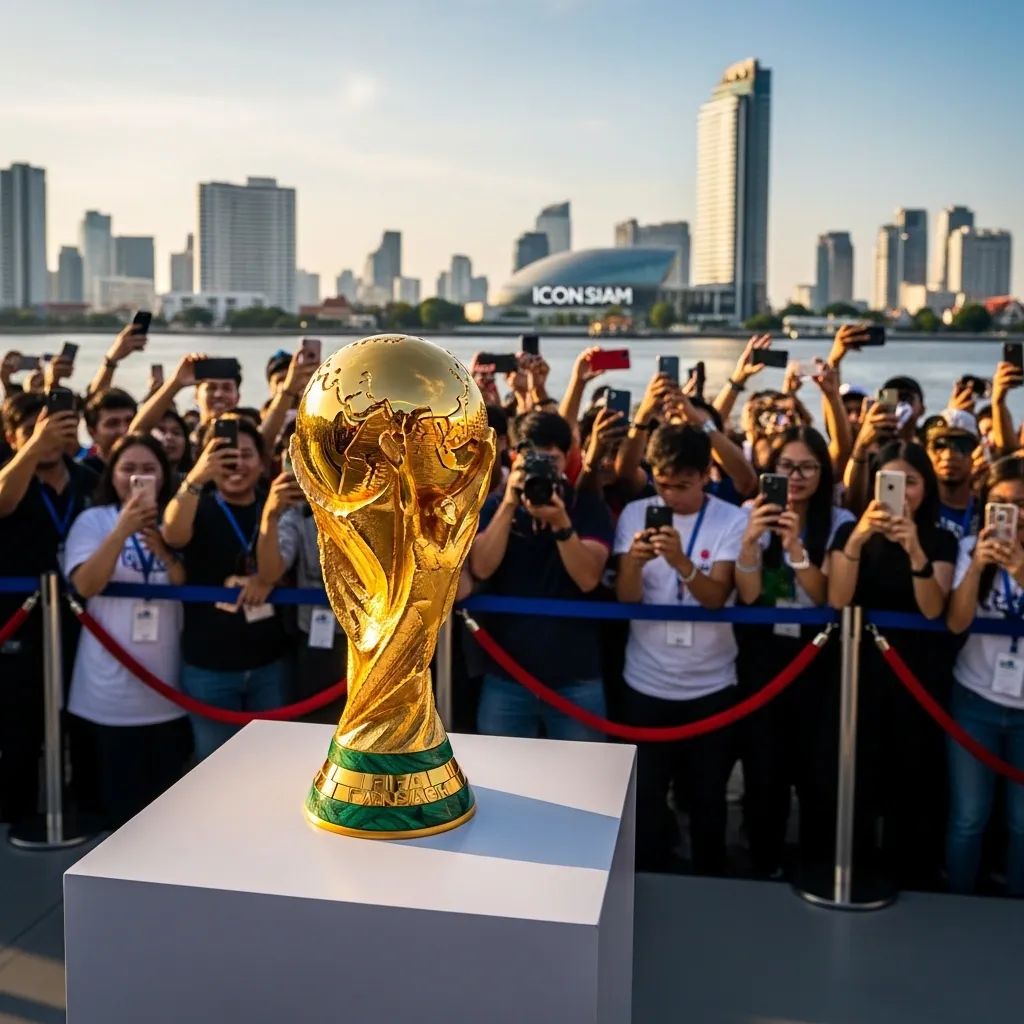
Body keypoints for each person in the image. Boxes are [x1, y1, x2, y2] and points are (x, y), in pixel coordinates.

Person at [614, 423, 747, 874]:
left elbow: (716, 597)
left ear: (706, 475)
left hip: (710, 684)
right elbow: (627, 599)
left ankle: (711, 875)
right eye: (662, 484)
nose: (668, 496)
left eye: (681, 486)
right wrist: (633, 563)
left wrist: (680, 563)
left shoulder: (731, 518)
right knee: (648, 795)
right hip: (646, 682)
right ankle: (649, 873)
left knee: (708, 795)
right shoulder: (636, 514)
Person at [828, 441, 957, 888]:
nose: (902, 493)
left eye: (912, 483)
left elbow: (932, 608)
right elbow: (838, 598)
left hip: (917, 674)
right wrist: (861, 539)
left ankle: (911, 870)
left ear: (927, 487)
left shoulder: (940, 538)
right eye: (891, 482)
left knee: (913, 772)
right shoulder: (849, 533)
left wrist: (915, 550)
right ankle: (854, 866)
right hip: (858, 670)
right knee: (858, 771)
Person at [734, 426, 852, 877]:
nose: (796, 476)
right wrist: (750, 541)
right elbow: (747, 595)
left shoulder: (839, 522)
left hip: (817, 654)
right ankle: (763, 859)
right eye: (786, 467)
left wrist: (796, 548)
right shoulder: (749, 513)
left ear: (823, 472)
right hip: (764, 653)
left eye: (807, 467)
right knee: (765, 766)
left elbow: (826, 595)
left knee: (816, 769)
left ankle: (817, 864)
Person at [64, 434, 191, 828]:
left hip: (168, 691)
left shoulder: (177, 520)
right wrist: (121, 530)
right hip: (107, 694)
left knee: (165, 815)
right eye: (129, 468)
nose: (139, 476)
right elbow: (84, 586)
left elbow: (184, 583)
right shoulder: (94, 520)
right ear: (112, 474)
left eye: (149, 469)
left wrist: (166, 554)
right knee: (117, 818)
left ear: (163, 475)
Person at [469, 411, 613, 740]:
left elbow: (588, 578)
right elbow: (481, 566)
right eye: (533, 459)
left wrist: (563, 524)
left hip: (576, 676)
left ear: (567, 459)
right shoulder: (494, 506)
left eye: (551, 460)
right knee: (501, 776)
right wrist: (508, 504)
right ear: (514, 457)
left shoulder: (585, 506)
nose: (542, 470)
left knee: (583, 778)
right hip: (507, 674)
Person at [162, 415, 289, 758]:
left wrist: (264, 576)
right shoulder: (197, 504)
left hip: (268, 661)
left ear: (262, 461)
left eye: (246, 454)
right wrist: (196, 477)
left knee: (270, 763)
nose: (236, 464)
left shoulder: (273, 503)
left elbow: (279, 567)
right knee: (213, 767)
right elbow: (172, 533)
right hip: (209, 665)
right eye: (224, 455)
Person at [0, 392, 97, 823]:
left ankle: (79, 809)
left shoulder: (87, 478)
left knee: (79, 718)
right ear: (11, 436)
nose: (49, 439)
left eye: (58, 428)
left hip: (81, 620)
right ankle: (17, 814)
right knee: (19, 725)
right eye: (36, 431)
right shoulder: (12, 475)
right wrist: (31, 447)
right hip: (17, 621)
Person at [945, 456, 1024, 896]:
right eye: (1001, 504)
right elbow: (956, 623)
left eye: (1021, 504)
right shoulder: (970, 547)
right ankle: (958, 900)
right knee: (968, 817)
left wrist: (1019, 571)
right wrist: (977, 566)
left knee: (1022, 822)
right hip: (975, 699)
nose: (1013, 515)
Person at [255, 467, 346, 721]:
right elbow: (270, 572)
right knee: (320, 721)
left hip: (371, 634)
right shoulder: (298, 513)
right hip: (318, 636)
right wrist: (270, 515)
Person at [924, 410, 981, 539]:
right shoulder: (914, 508)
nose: (948, 455)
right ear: (927, 451)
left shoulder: (985, 513)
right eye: (939, 446)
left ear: (977, 452)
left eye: (961, 446)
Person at [80, 388, 138, 473]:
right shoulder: (82, 475)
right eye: (112, 424)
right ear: (92, 433)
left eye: (130, 422)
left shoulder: (153, 469)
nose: (123, 430)